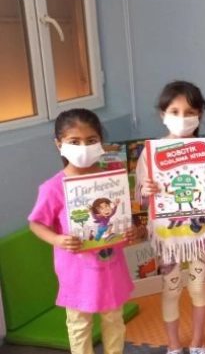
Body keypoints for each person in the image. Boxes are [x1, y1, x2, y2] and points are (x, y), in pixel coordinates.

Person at [28, 108, 136, 354]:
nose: (83, 147)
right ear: (59, 144)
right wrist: (57, 239)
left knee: (114, 320)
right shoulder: (53, 187)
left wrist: (130, 231)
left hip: (111, 269)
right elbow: (36, 223)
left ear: (100, 142)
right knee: (79, 324)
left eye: (91, 140)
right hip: (76, 272)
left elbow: (122, 220)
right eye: (74, 142)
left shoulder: (111, 182)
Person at [135, 81, 205, 354]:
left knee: (198, 287)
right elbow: (141, 197)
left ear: (199, 114)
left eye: (190, 112)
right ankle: (173, 346)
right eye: (174, 111)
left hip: (199, 234)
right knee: (171, 288)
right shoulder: (151, 153)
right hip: (168, 235)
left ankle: (198, 343)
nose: (182, 118)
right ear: (163, 114)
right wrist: (147, 190)